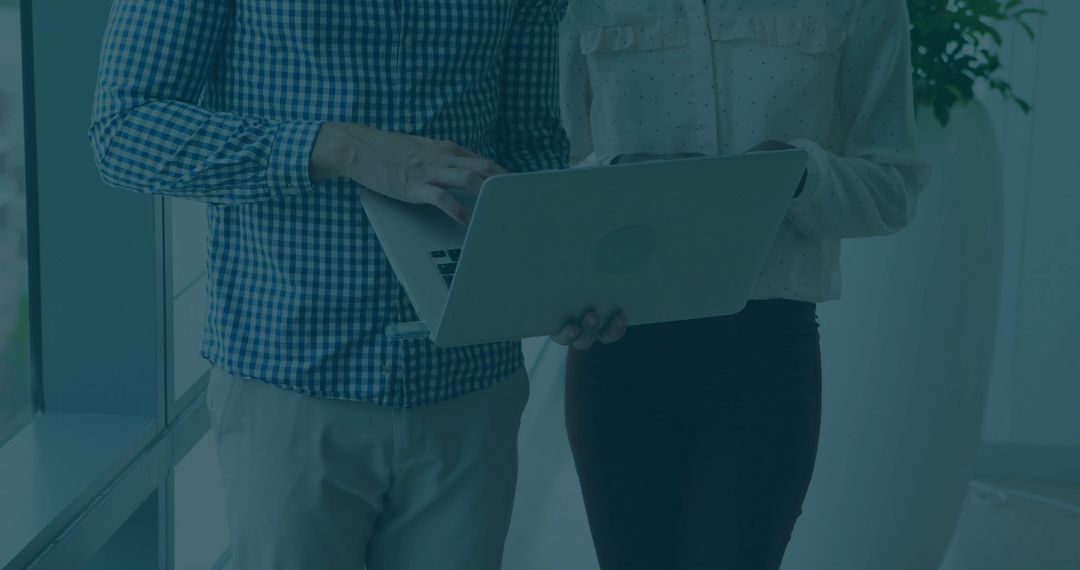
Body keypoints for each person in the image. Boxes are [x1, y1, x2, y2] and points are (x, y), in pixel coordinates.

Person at [89, 0, 623, 568]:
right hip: (292, 380)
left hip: (470, 385)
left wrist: (560, 281)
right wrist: (340, 148)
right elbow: (123, 130)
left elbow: (530, 147)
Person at [556, 0, 932, 568]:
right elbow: (545, 172)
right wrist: (619, 176)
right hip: (615, 349)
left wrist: (795, 172)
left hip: (764, 355)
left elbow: (893, 185)